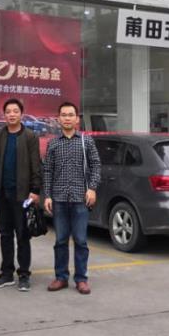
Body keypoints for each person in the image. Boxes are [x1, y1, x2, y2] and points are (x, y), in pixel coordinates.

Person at [42, 101, 101, 295]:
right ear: (58, 119)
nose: (67, 118)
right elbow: (48, 171)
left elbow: (96, 166)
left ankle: (81, 279)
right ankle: (61, 277)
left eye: (70, 115)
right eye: (64, 115)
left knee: (81, 241)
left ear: (77, 119)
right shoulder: (53, 143)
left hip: (80, 199)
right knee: (60, 241)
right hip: (59, 199)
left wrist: (92, 188)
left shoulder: (86, 141)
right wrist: (47, 195)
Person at [0, 98, 41, 292]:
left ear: (21, 114)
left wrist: (35, 190)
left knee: (22, 235)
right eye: (8, 111)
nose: (11, 114)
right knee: (5, 234)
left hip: (23, 196)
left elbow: (36, 165)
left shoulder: (30, 136)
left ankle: (24, 274)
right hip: (2, 194)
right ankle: (6, 273)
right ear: (4, 115)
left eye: (15, 111)